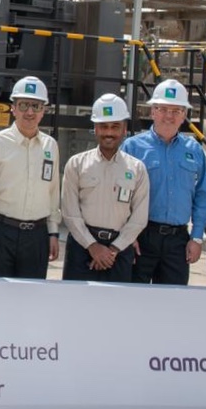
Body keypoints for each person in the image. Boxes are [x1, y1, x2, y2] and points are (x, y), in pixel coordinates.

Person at [120, 79, 206, 284]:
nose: (169, 116)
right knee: (134, 297)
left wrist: (197, 237)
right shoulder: (132, 147)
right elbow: (119, 195)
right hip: (140, 236)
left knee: (173, 300)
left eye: (176, 110)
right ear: (152, 111)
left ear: (184, 115)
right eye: (163, 109)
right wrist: (128, 236)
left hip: (178, 241)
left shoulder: (194, 150)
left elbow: (203, 195)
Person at [0, 75, 61, 279]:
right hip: (0, 232)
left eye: (36, 106)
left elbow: (52, 192)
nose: (29, 112)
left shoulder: (50, 146)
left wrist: (53, 232)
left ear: (43, 111)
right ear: (13, 108)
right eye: (23, 105)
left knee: (31, 295)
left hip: (37, 236)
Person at [61, 93, 149, 282]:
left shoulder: (137, 169)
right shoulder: (76, 164)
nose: (109, 132)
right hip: (82, 249)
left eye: (115, 126)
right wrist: (92, 246)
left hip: (119, 252)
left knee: (116, 302)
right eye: (103, 126)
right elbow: (70, 213)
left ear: (124, 129)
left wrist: (113, 250)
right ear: (95, 128)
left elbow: (139, 218)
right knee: (76, 300)